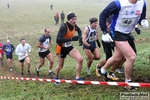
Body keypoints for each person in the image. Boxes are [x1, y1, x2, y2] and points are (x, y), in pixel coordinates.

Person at [98, 0, 148, 91]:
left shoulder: (143, 3)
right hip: (116, 32)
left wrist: (143, 21)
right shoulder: (118, 3)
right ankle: (127, 83)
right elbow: (103, 14)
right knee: (131, 57)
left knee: (117, 57)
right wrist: (104, 31)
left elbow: (141, 17)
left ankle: (102, 70)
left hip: (127, 33)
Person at [55, 12, 83, 84]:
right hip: (61, 48)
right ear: (68, 19)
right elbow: (58, 40)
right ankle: (56, 76)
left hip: (69, 47)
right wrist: (71, 39)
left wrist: (80, 38)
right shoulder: (63, 26)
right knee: (60, 66)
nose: (74, 21)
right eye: (72, 19)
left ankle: (77, 78)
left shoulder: (74, 25)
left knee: (80, 59)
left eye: (75, 19)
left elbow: (79, 30)